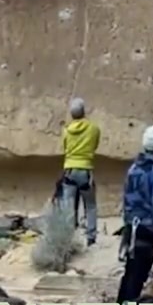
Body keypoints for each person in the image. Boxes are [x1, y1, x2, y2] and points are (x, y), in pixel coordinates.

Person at [117, 125, 153, 305]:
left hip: (132, 227)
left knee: (130, 271)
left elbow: (126, 199)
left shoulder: (133, 169)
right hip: (147, 229)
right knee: (139, 274)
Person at [60, 97, 101, 247]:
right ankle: (91, 238)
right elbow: (95, 145)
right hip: (86, 170)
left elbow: (65, 148)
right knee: (90, 205)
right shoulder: (93, 129)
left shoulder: (66, 131)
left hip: (69, 170)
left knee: (68, 206)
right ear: (84, 111)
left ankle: (67, 237)